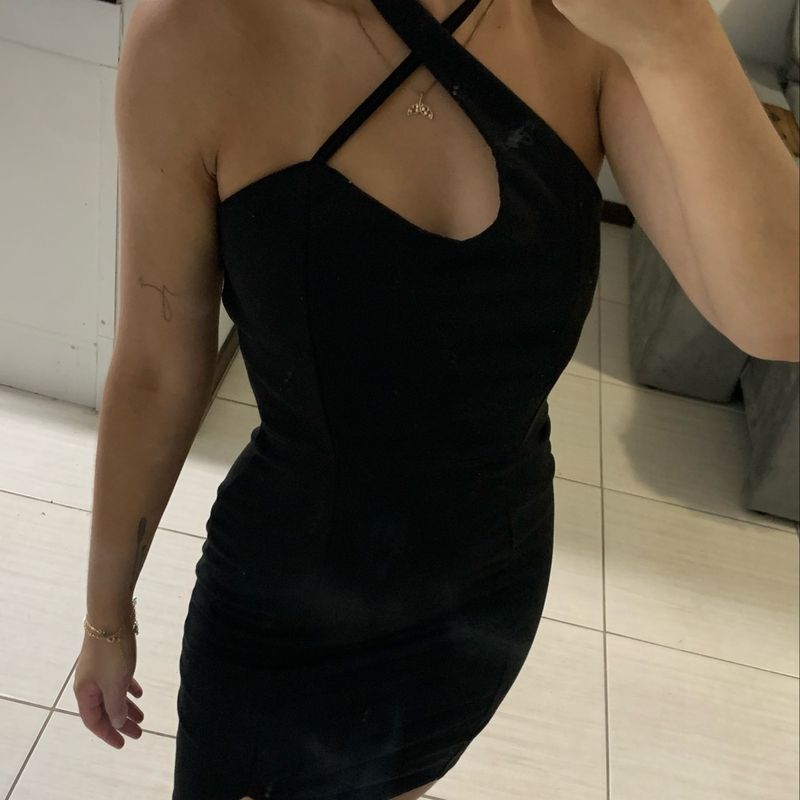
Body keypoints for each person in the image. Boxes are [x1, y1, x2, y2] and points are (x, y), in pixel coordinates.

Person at [72, 0, 800, 798]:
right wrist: (107, 614)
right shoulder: (196, 30)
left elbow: (780, 313)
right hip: (284, 610)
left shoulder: (587, 26)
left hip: (478, 607)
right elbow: (157, 370)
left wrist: (679, 35)